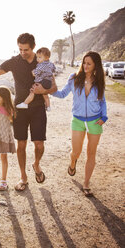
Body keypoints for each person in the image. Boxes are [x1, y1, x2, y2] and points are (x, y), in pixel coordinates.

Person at [0, 33, 57, 191]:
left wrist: (43, 90)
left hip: (38, 107)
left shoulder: (41, 61)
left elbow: (54, 87)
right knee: (21, 144)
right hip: (19, 108)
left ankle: (36, 164)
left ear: (33, 47)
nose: (22, 52)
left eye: (25, 49)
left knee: (39, 144)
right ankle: (23, 177)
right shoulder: (14, 62)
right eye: (20, 49)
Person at [51, 51, 107, 197]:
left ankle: (86, 183)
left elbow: (102, 100)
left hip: (95, 121)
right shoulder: (74, 78)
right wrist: (49, 90)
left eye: (89, 63)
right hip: (78, 120)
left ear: (95, 65)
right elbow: (62, 94)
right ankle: (72, 162)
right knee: (76, 151)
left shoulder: (99, 80)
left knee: (91, 153)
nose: (85, 66)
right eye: (84, 62)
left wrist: (104, 116)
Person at [16, 47, 56, 111]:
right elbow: (54, 70)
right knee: (45, 95)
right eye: (37, 57)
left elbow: (36, 73)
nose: (37, 59)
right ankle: (48, 107)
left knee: (32, 92)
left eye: (40, 57)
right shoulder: (51, 64)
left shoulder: (41, 65)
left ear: (47, 57)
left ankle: (25, 103)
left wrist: (33, 72)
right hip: (48, 82)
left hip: (42, 82)